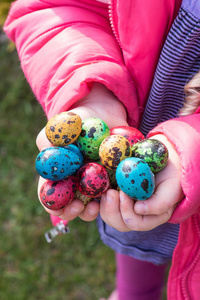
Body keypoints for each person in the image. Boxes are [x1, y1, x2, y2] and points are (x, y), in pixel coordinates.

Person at [3, 0, 200, 299]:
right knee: (133, 230)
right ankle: (134, 293)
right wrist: (91, 93)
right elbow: (54, 8)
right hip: (141, 138)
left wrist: (191, 149)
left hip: (180, 167)